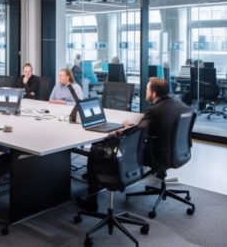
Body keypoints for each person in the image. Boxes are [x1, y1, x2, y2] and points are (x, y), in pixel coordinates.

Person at [77, 78, 189, 212]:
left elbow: (138, 133)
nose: (145, 92)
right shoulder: (180, 105)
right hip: (176, 152)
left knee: (96, 150)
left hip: (157, 154)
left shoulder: (154, 110)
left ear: (153, 94)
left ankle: (91, 201)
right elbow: (148, 127)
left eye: (147, 90)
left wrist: (124, 129)